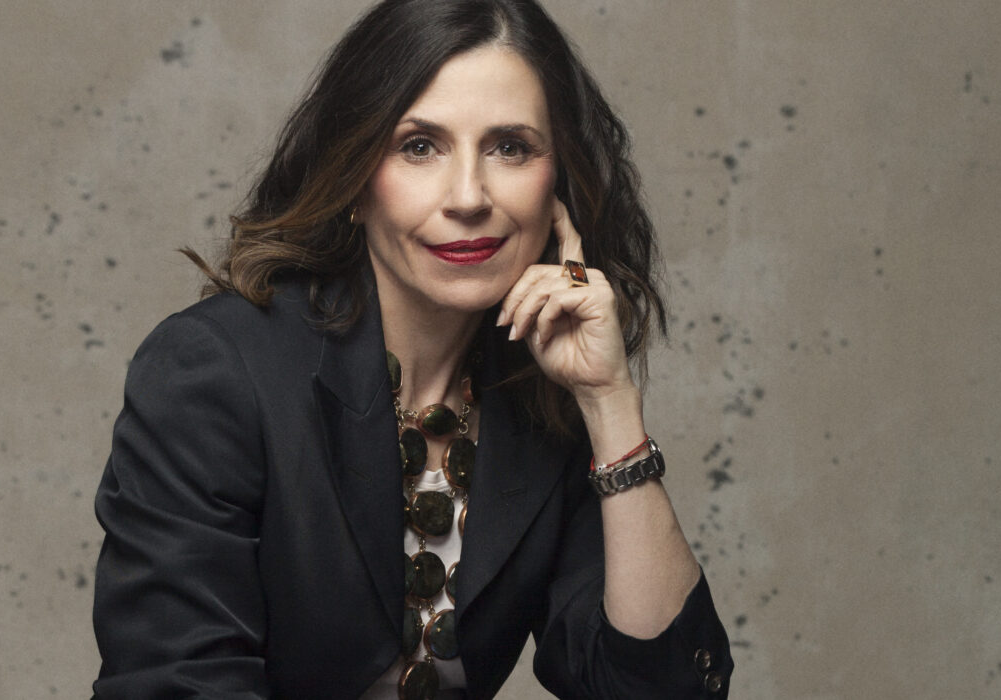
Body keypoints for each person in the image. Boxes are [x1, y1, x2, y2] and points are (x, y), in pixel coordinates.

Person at [91, 0, 733, 697]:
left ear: (558, 183)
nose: (469, 196)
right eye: (420, 146)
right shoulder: (215, 371)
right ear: (355, 176)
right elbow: (176, 683)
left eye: (510, 147)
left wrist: (609, 403)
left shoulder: (540, 395)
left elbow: (659, 689)